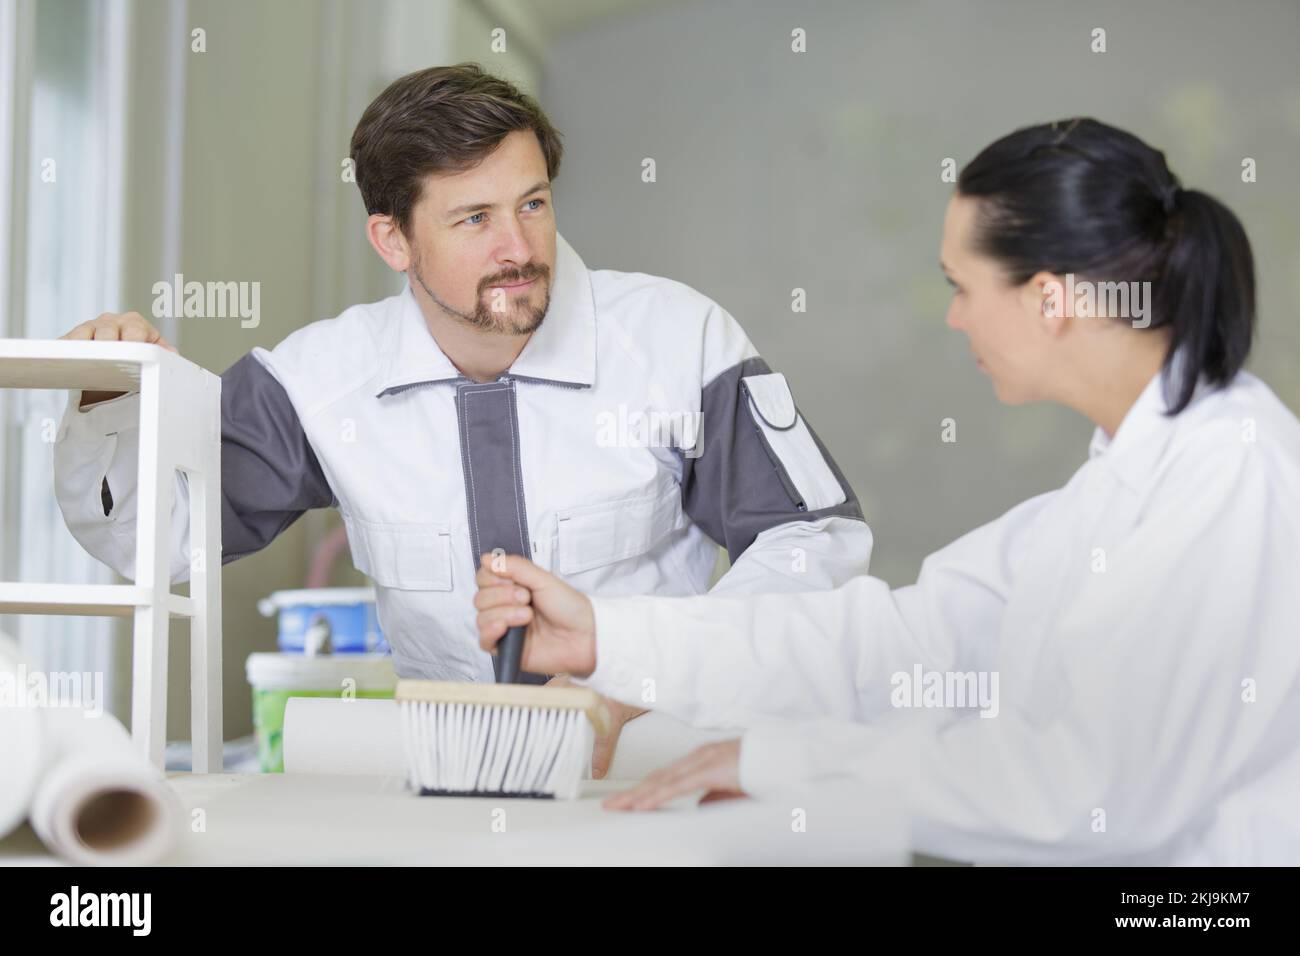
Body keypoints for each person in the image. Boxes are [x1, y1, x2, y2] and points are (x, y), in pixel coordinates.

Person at [474, 118, 1300, 864]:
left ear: (1048, 298)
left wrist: (787, 765)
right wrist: (606, 638)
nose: (955, 320)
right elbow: (899, 645)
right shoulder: (1112, 490)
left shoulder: (1228, 477)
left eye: (961, 286)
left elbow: (1096, 792)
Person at [51, 64, 873, 777]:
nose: (518, 246)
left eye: (534, 204)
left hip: (659, 772)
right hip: (454, 790)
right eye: (473, 219)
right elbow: (154, 541)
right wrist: (106, 399)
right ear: (393, 240)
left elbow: (816, 546)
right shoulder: (318, 383)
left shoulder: (678, 341)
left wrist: (632, 676)